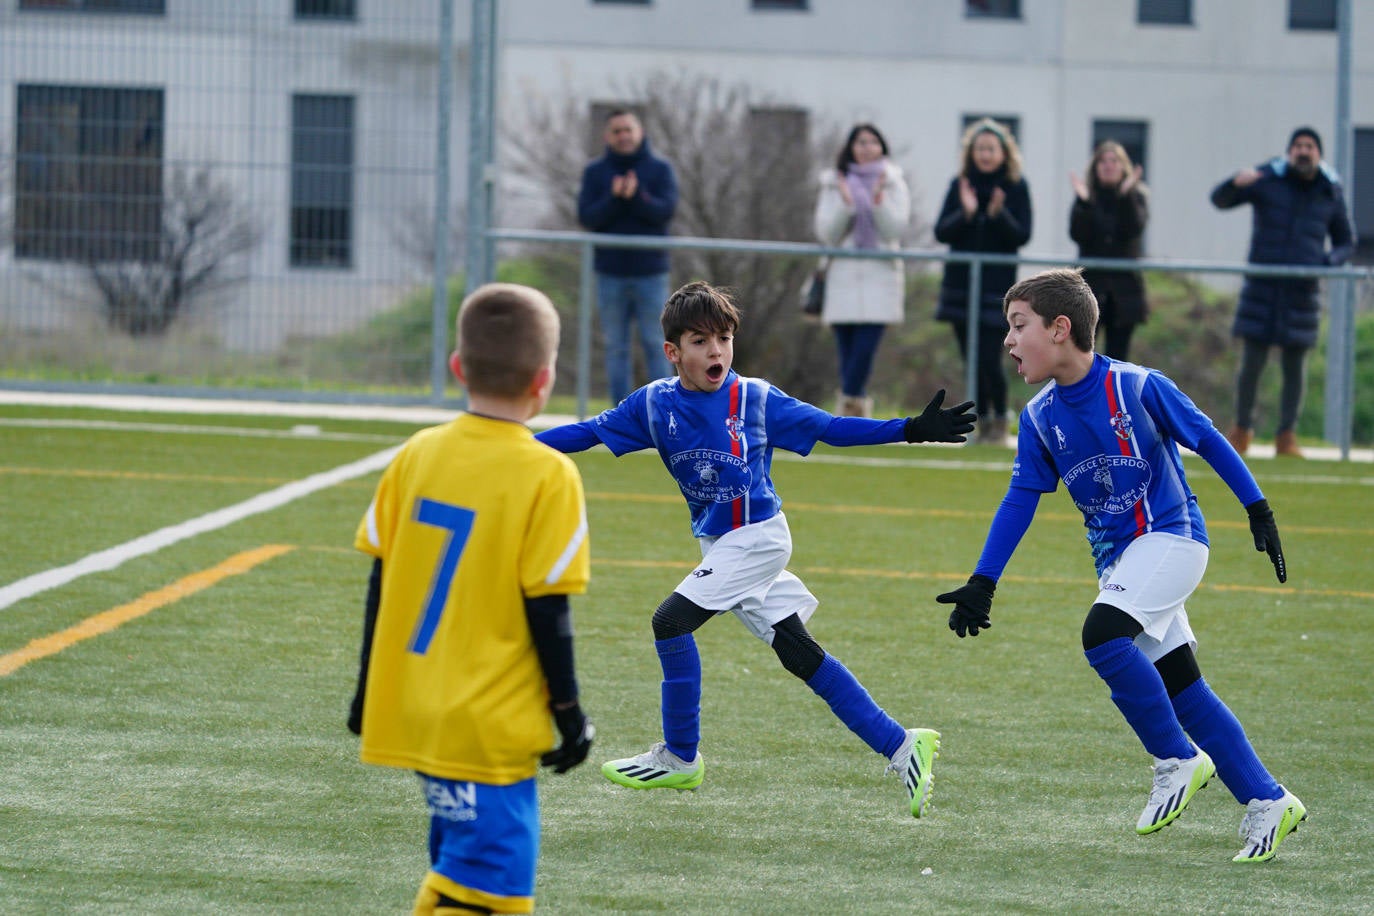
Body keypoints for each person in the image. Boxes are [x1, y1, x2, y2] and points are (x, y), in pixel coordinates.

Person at [537, 280, 975, 817]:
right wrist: (515, 447)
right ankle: (903, 744)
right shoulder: (653, 405)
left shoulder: (756, 399)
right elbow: (586, 433)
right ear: (674, 352)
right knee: (799, 652)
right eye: (700, 341)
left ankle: (680, 757)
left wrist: (908, 429)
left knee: (669, 622)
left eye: (723, 338)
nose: (716, 350)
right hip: (721, 545)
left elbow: (831, 428)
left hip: (759, 539)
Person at [937, 268, 1306, 863]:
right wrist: (984, 580)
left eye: (1017, 325)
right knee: (1184, 688)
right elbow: (1020, 499)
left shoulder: (1137, 386)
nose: (1007, 340)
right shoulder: (1037, 416)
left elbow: (1208, 439)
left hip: (1173, 538)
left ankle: (1176, 760)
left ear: (1061, 329)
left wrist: (1257, 507)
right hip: (1122, 563)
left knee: (1102, 636)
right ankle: (1268, 801)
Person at [348, 283, 596, 915]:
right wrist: (568, 710)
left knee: (459, 868)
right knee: (492, 888)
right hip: (489, 724)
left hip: (417, 704)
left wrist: (368, 688)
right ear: (544, 381)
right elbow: (549, 610)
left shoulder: (416, 454)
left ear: (457, 368)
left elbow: (381, 580)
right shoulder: (547, 473)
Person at [1210, 126, 1354, 458]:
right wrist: (1235, 182)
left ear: (1319, 153)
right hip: (1262, 287)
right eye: (1298, 146)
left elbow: (1346, 241)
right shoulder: (1267, 179)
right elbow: (1219, 200)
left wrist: (1327, 261)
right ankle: (1241, 431)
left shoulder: (1329, 191)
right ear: (1290, 151)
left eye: (1310, 146)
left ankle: (1286, 436)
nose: (1303, 151)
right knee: (1251, 366)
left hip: (1301, 293)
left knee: (1294, 369)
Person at [935, 117, 1033, 446]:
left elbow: (1022, 234)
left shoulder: (1015, 187)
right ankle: (978, 422)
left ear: (1004, 152)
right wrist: (966, 211)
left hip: (996, 288)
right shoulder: (960, 184)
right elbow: (941, 231)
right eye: (979, 149)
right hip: (961, 286)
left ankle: (998, 420)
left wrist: (997, 213)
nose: (985, 154)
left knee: (991, 357)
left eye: (991, 148)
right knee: (970, 358)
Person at [577, 109, 679, 405]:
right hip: (610, 272)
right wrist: (614, 197)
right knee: (616, 347)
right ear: (608, 136)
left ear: (640, 132)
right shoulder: (595, 172)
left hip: (651, 272)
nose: (623, 136)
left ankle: (662, 407)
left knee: (657, 343)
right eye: (617, 131)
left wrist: (636, 196)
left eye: (628, 130)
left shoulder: (660, 169)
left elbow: (665, 212)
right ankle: (622, 411)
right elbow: (587, 216)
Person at [813, 123, 912, 418]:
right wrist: (846, 203)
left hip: (879, 277)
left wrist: (878, 202)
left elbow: (896, 228)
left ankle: (850, 406)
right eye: (860, 142)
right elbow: (826, 233)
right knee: (846, 349)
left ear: (882, 146)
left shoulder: (894, 182)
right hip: (843, 275)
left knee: (865, 347)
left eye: (872, 141)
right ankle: (853, 408)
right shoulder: (834, 182)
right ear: (850, 147)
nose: (866, 147)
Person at [1069, 140, 1150, 361]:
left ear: (1123, 166)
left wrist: (1126, 197)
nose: (1108, 166)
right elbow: (1078, 235)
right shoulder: (1086, 197)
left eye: (1114, 161)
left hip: (1124, 292)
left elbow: (1132, 230)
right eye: (1102, 161)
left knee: (1119, 358)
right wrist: (1084, 204)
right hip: (1090, 289)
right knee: (1083, 354)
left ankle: (1114, 396)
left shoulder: (1136, 197)